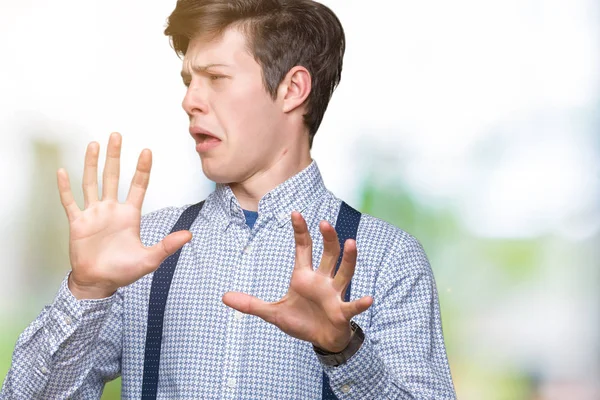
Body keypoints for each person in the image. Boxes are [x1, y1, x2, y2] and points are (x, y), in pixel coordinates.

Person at [1, 0, 456, 398]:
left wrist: (344, 350)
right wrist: (87, 291)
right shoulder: (142, 250)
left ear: (293, 89)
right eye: (188, 81)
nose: (190, 101)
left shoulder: (387, 259)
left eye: (215, 78)